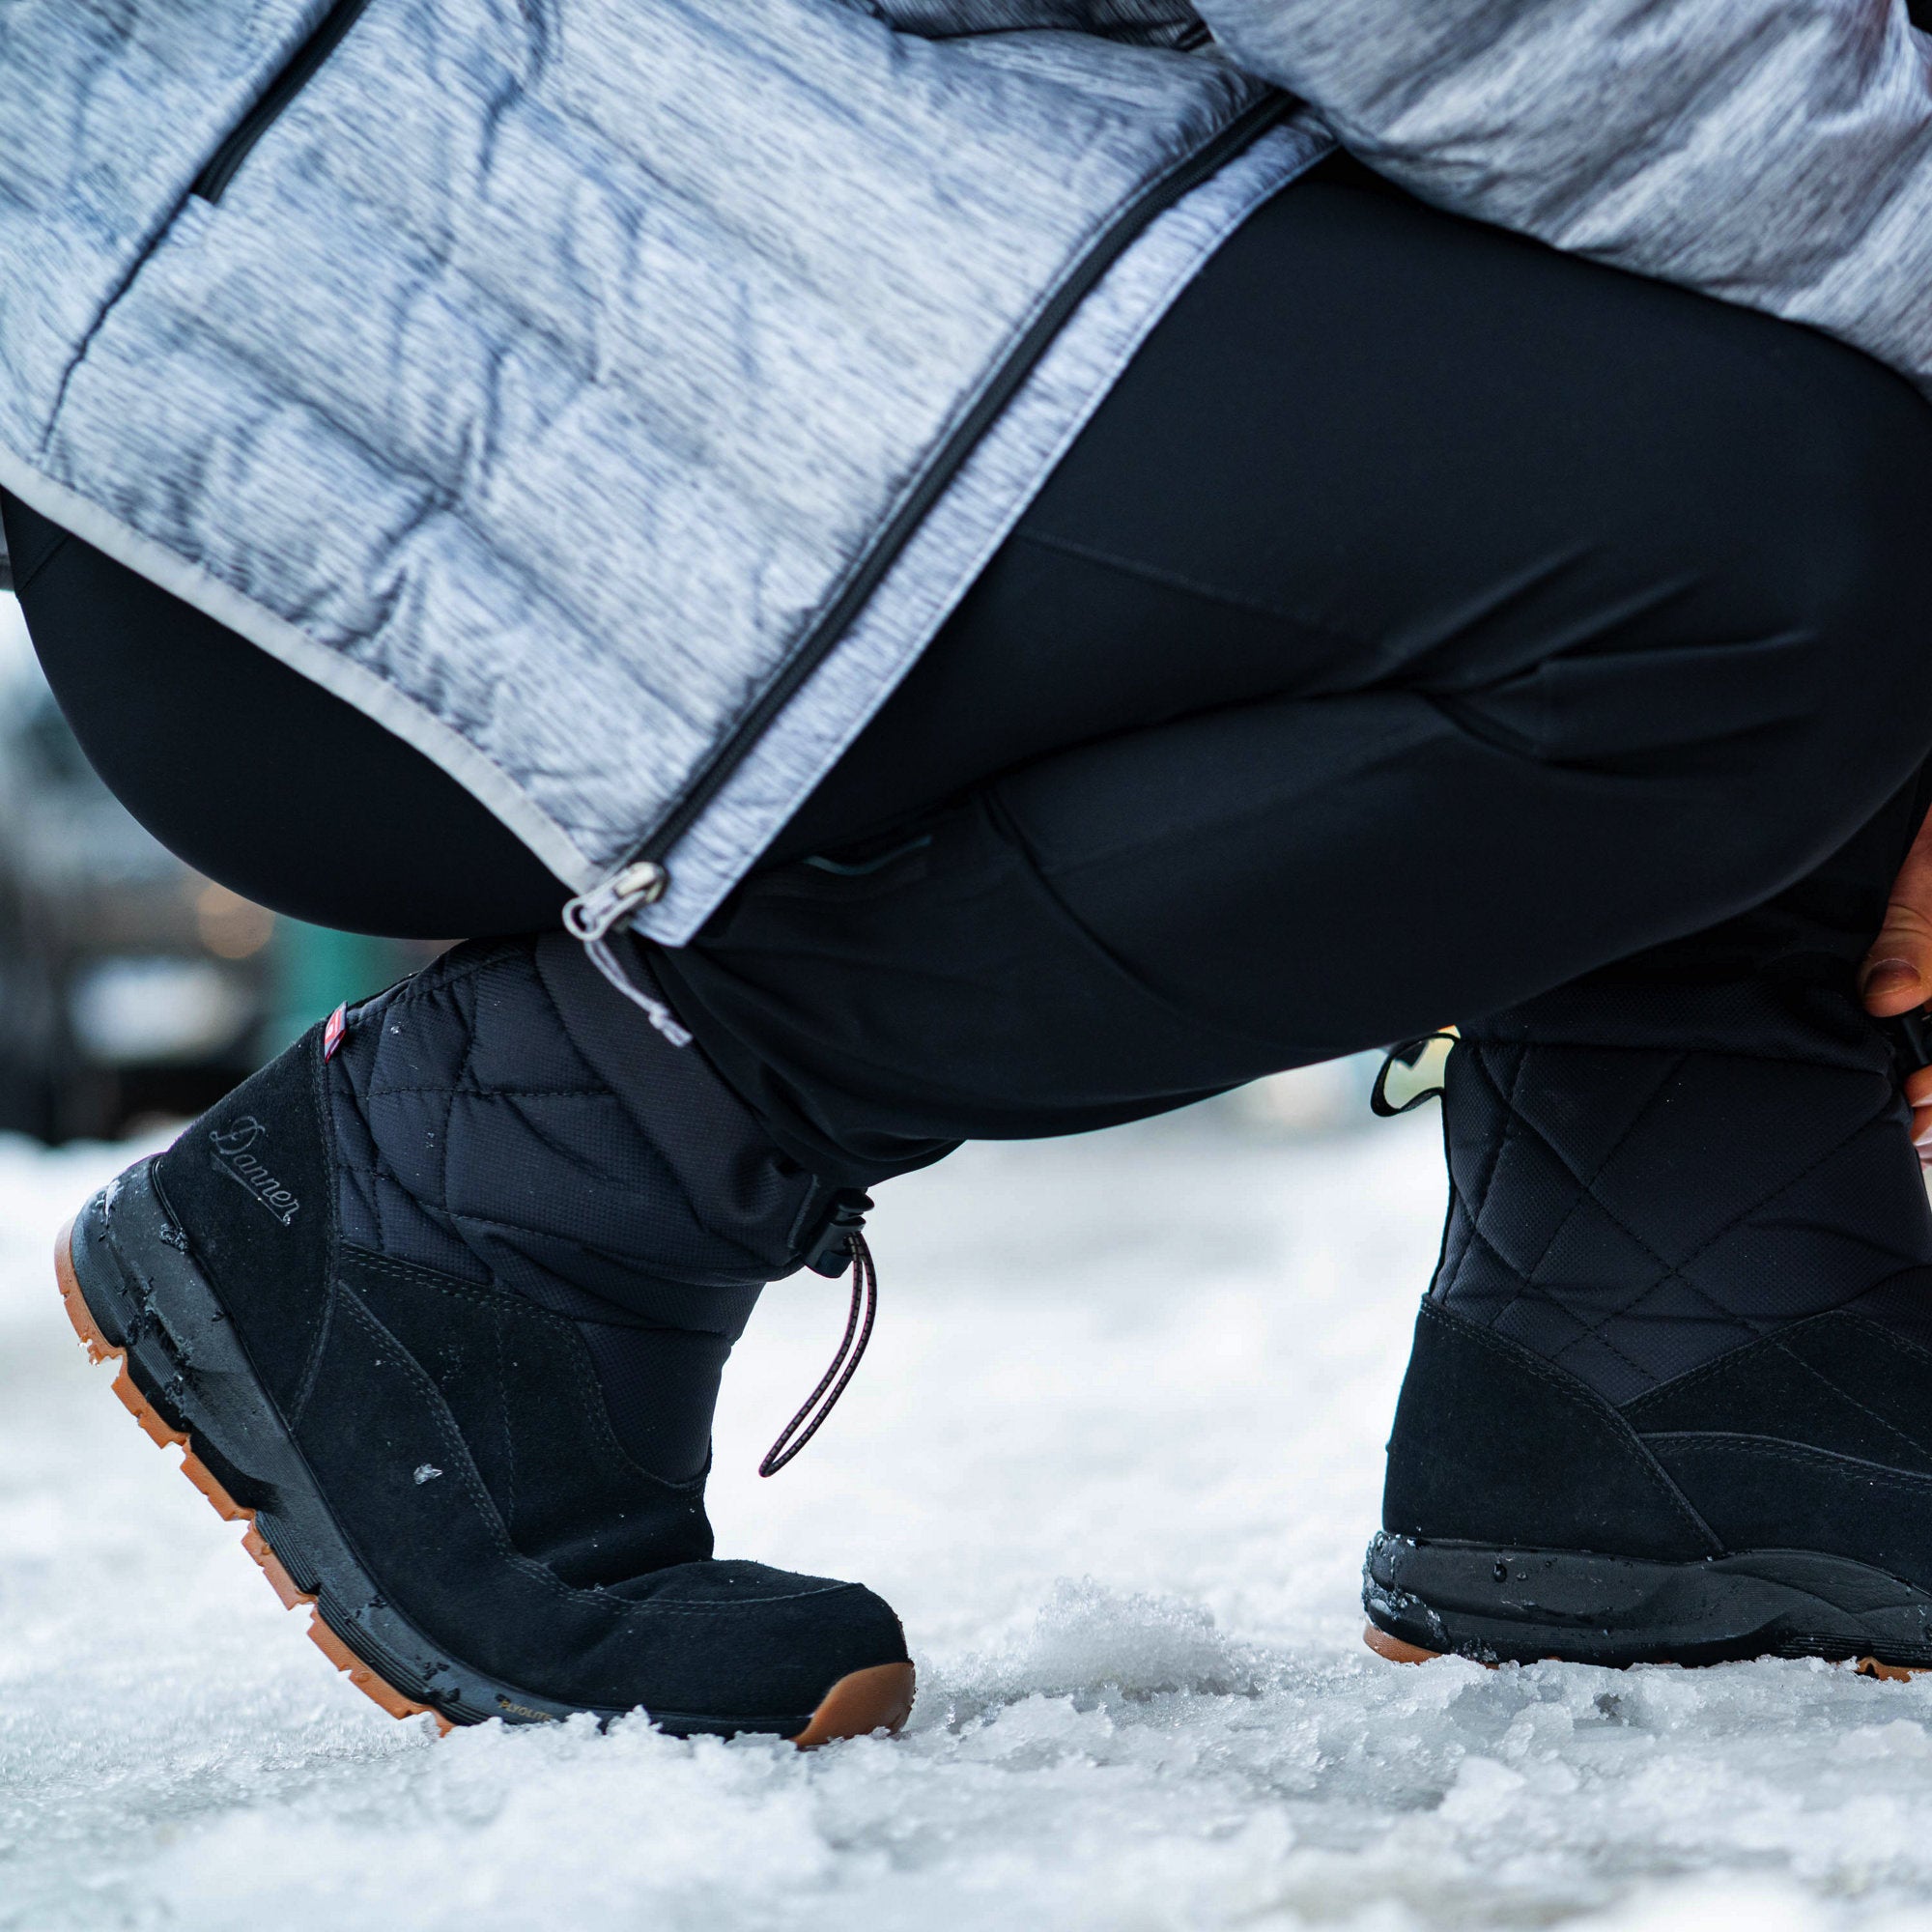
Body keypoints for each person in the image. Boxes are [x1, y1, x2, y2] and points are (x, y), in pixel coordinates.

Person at [7, 0, 1932, 1738]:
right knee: (1773, 552)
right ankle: (518, 1163)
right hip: (374, 308)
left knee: (1815, 328)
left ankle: (1687, 1314)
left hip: (618, 233)